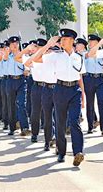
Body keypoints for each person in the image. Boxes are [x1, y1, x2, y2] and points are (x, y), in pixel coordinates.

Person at [32, 29, 86, 166]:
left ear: (72, 41)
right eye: (61, 39)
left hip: (75, 90)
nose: (62, 41)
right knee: (60, 123)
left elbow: (80, 78)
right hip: (60, 89)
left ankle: (78, 152)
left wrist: (83, 96)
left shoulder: (79, 57)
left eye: (65, 39)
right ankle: (61, 152)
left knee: (74, 121)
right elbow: (36, 59)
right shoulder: (55, 56)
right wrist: (47, 45)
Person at [81, 35, 103, 136]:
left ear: (96, 42)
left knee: (101, 102)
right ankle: (90, 126)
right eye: (90, 42)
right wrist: (101, 43)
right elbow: (91, 54)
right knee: (90, 104)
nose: (90, 43)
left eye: (92, 41)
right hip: (89, 79)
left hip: (100, 79)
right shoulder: (85, 53)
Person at [7, 36, 30, 136]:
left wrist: (27, 70)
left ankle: (24, 127)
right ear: (10, 46)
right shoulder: (7, 56)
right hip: (10, 80)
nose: (15, 45)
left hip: (21, 80)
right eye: (12, 44)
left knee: (22, 104)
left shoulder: (23, 56)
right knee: (12, 104)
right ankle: (12, 127)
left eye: (16, 43)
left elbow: (28, 68)